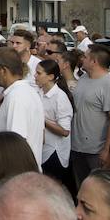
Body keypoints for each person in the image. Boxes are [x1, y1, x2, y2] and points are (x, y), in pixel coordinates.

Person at [70, 45, 110, 185]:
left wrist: (107, 149)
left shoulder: (109, 84)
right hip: (76, 146)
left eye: (85, 57)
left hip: (96, 151)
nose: (82, 59)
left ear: (94, 62)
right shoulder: (84, 78)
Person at [0, 47, 44, 165]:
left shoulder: (17, 97)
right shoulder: (24, 92)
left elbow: (16, 144)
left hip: (19, 175)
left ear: (3, 70)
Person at [35, 58, 73, 193]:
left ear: (50, 77)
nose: (35, 76)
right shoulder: (38, 92)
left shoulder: (60, 97)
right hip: (42, 149)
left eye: (39, 73)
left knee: (53, 191)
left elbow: (64, 131)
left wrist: (42, 119)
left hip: (54, 152)